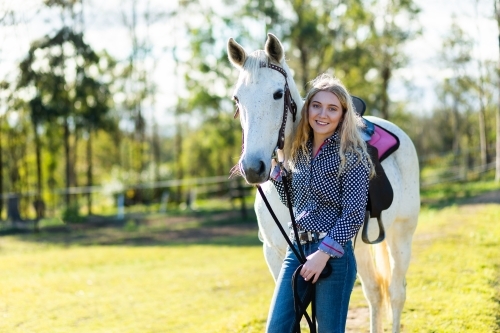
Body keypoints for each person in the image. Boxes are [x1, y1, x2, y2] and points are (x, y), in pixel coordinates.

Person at [266, 73, 375, 333]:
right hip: (298, 250)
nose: (322, 114)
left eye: (332, 108)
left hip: (334, 257)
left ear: (343, 115)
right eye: (316, 105)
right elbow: (294, 202)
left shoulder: (352, 155)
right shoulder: (299, 152)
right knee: (277, 329)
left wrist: (323, 254)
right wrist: (277, 175)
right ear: (308, 110)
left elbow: (352, 215)